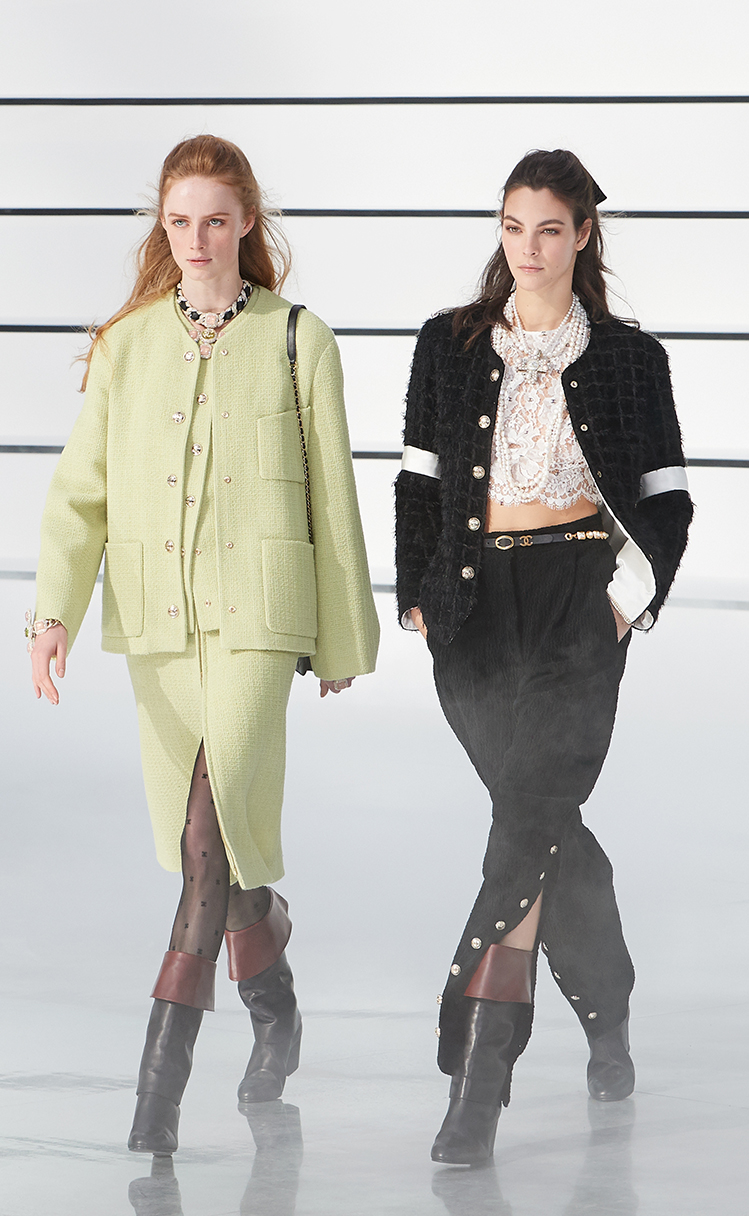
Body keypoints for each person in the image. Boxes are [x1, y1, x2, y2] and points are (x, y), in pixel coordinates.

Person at [28, 134, 379, 1155]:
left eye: (215, 220)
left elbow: (332, 498)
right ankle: (274, 991)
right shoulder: (127, 345)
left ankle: (157, 1100)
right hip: (160, 623)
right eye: (178, 221)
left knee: (202, 841)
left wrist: (341, 636)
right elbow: (81, 493)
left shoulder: (299, 339)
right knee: (215, 846)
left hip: (260, 620)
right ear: (163, 227)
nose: (195, 239)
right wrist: (52, 613)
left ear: (245, 224)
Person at [395, 149, 692, 1166]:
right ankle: (609, 1008)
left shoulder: (630, 359)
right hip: (471, 609)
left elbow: (666, 500)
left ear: (582, 235)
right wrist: (418, 597)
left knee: (523, 827)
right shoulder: (446, 344)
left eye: (549, 229)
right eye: (513, 227)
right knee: (544, 822)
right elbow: (419, 481)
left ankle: (477, 1082)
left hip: (578, 601)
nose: (528, 248)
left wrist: (621, 603)